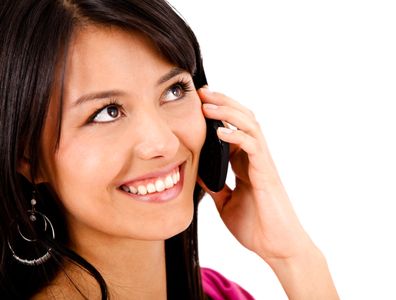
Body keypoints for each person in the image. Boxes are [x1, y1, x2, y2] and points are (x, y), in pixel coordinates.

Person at [0, 1, 339, 299]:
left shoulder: (221, 294)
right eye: (107, 112)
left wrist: (294, 257)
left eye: (174, 90)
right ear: (28, 158)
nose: (163, 142)